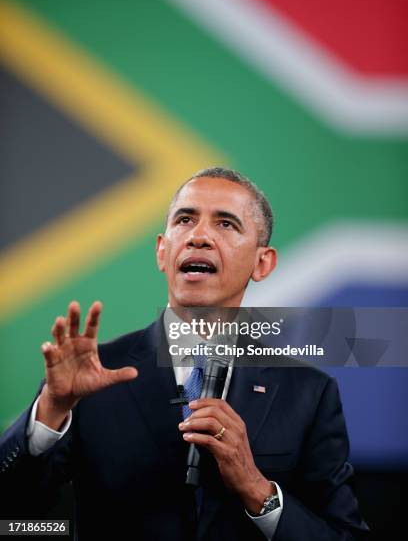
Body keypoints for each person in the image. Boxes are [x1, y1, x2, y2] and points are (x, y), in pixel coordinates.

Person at [0, 167, 369, 540]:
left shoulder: (308, 393)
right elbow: (12, 516)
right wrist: (50, 412)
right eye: (185, 219)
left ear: (262, 263)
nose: (199, 236)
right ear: (163, 251)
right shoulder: (91, 376)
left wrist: (256, 488)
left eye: (225, 224)